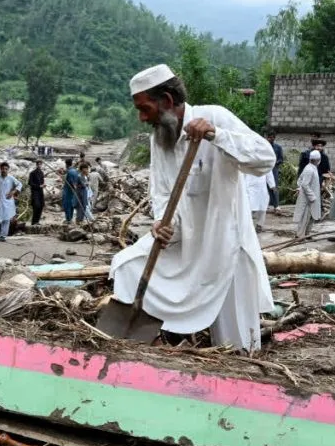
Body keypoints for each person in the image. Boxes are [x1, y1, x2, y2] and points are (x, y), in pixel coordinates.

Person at [109, 64, 275, 352]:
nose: (141, 117)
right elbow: (160, 191)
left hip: (225, 244)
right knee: (126, 265)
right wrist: (161, 223)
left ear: (167, 101)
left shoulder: (215, 116)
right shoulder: (159, 139)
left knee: (238, 345)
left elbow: (265, 159)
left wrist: (216, 135)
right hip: (183, 242)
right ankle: (155, 340)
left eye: (145, 108)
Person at [0, 162, 22, 242]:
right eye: (2, 169)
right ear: (0, 169)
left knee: (6, 219)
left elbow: (19, 184)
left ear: (8, 170)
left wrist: (13, 192)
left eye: (6, 169)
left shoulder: (11, 178)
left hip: (7, 201)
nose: (4, 170)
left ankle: (3, 236)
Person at [295, 150, 322, 238]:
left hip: (312, 197)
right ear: (317, 160)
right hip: (308, 199)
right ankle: (300, 235)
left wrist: (299, 188)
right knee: (305, 217)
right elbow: (304, 184)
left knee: (311, 217)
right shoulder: (309, 169)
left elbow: (300, 180)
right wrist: (312, 197)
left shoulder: (312, 168)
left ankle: (307, 234)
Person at [61, 158, 85, 223]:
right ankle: (70, 218)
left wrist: (74, 186)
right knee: (71, 205)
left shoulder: (70, 172)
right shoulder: (75, 171)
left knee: (67, 205)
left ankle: (68, 219)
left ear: (66, 164)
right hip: (73, 191)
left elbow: (72, 182)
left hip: (68, 191)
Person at [267, 131, 283, 214]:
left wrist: (275, 163)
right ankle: (266, 205)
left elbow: (281, 159)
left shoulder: (278, 147)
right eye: (270, 137)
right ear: (267, 137)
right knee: (265, 187)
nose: (271, 139)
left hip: (274, 169)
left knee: (274, 186)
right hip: (265, 168)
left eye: (273, 137)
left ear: (275, 138)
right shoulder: (264, 146)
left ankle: (276, 205)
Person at [29, 159, 45, 225]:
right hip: (35, 192)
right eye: (38, 164)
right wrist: (39, 186)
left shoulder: (41, 173)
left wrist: (43, 185)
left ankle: (37, 221)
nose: (39, 165)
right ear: (36, 165)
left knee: (41, 205)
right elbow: (30, 183)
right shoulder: (32, 173)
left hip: (40, 192)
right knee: (36, 206)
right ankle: (33, 221)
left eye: (40, 164)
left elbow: (42, 182)